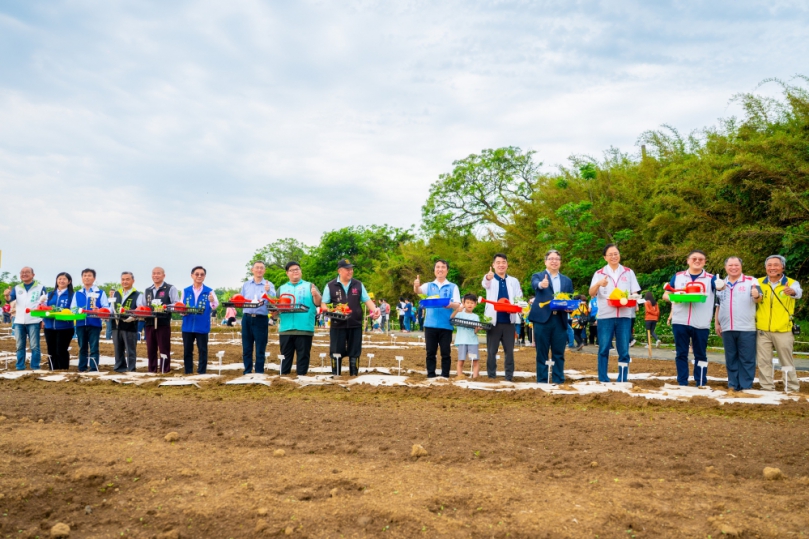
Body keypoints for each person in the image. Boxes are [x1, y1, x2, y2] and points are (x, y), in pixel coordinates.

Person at [662, 250, 725, 387]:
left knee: (700, 354)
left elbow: (721, 288)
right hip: (680, 320)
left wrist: (721, 285)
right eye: (694, 258)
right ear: (688, 261)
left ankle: (701, 381)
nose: (697, 261)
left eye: (701, 259)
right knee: (681, 353)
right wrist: (674, 297)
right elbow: (666, 295)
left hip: (701, 322)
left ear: (705, 262)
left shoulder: (711, 278)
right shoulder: (678, 276)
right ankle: (682, 381)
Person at [589, 244, 641, 383]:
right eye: (610, 254)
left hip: (624, 315)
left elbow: (635, 291)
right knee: (604, 347)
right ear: (605, 257)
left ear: (619, 255)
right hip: (606, 316)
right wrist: (598, 284)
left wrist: (634, 298)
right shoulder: (599, 273)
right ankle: (603, 377)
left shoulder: (628, 272)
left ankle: (622, 377)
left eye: (616, 253)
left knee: (624, 349)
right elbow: (591, 293)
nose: (614, 256)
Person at [322, 259, 380, 376]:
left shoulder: (358, 284)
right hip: (338, 324)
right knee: (336, 350)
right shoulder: (330, 285)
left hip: (355, 323)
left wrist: (375, 309)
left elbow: (366, 300)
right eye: (347, 269)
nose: (350, 271)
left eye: (351, 269)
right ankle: (336, 374)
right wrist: (326, 310)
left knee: (355, 350)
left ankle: (354, 375)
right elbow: (324, 302)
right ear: (339, 271)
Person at [755, 255, 803, 392]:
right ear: (765, 267)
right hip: (763, 330)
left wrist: (792, 291)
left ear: (782, 267)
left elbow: (798, 293)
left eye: (776, 265)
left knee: (786, 361)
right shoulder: (758, 282)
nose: (772, 268)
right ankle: (766, 387)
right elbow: (754, 299)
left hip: (784, 330)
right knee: (764, 361)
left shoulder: (791, 282)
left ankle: (792, 387)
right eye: (769, 265)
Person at [527, 250, 574, 384]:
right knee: (541, 352)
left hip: (560, 319)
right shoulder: (538, 276)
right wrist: (542, 284)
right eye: (551, 259)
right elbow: (535, 284)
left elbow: (569, 298)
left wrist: (569, 307)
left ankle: (558, 379)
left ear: (560, 262)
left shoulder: (566, 280)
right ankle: (542, 380)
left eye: (557, 259)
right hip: (542, 320)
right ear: (545, 261)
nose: (554, 261)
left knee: (559, 352)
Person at [714, 257, 761, 391]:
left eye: (736, 265)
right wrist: (716, 323)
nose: (733, 267)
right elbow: (718, 305)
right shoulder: (720, 283)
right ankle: (733, 384)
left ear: (741, 266)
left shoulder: (752, 281)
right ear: (725, 267)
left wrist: (757, 295)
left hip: (746, 327)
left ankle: (746, 386)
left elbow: (758, 299)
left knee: (747, 358)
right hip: (727, 327)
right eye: (730, 265)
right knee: (731, 358)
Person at [413, 260, 462, 378]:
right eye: (438, 267)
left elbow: (458, 304)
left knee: (446, 352)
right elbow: (418, 292)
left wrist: (450, 305)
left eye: (443, 267)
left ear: (447, 270)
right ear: (434, 270)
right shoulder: (429, 285)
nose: (440, 269)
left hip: (446, 325)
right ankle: (431, 375)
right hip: (430, 325)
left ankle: (445, 376)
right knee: (430, 352)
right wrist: (416, 285)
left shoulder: (453, 287)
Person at [482, 253, 523, 380]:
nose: (501, 265)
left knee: (509, 352)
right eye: (498, 262)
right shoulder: (490, 278)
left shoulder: (513, 281)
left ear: (507, 264)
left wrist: (517, 306)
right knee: (491, 351)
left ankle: (509, 377)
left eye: (503, 262)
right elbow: (485, 283)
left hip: (509, 321)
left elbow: (518, 297)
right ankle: (491, 376)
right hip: (493, 321)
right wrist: (488, 278)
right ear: (493, 265)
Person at [277, 261, 321, 375]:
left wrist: (315, 294)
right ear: (287, 273)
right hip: (286, 329)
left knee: (303, 357)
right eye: (292, 270)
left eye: (297, 269)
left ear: (300, 271)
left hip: (304, 328)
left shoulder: (310, 286)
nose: (295, 271)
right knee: (285, 357)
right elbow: (276, 308)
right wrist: (273, 313)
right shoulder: (281, 288)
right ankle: (283, 380)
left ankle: (302, 378)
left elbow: (319, 303)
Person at [180, 266, 218, 375]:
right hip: (188, 325)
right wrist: (183, 312)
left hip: (202, 325)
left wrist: (212, 301)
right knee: (187, 350)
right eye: (197, 274)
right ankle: (188, 371)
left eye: (202, 274)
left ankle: (201, 371)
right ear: (192, 275)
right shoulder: (185, 290)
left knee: (202, 350)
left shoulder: (209, 291)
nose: (199, 276)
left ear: (204, 276)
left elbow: (215, 306)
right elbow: (180, 306)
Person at [239, 261, 276, 374]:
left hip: (261, 318)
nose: (259, 270)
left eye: (262, 268)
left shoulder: (269, 285)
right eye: (257, 268)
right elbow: (241, 300)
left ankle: (259, 372)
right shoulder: (246, 285)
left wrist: (268, 291)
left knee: (260, 347)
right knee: (247, 347)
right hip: (247, 318)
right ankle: (247, 370)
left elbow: (273, 300)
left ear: (264, 271)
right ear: (252, 270)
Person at [70, 268, 110, 372]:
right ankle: (82, 367)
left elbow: (107, 307)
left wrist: (99, 310)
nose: (87, 277)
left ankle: (94, 368)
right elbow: (72, 308)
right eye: (85, 275)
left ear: (94, 278)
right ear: (82, 278)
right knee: (82, 347)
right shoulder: (77, 293)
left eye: (89, 275)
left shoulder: (100, 292)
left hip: (94, 323)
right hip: (80, 324)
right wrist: (77, 311)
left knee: (94, 347)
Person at [144, 267, 180, 373]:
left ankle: (165, 370)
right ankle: (152, 370)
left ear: (164, 275)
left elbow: (176, 304)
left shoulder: (170, 288)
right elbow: (143, 305)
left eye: (158, 273)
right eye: (154, 273)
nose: (156, 275)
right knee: (150, 348)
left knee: (164, 348)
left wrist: (166, 307)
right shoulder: (148, 290)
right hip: (149, 322)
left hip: (163, 322)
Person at [9, 267, 46, 371]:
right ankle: (20, 366)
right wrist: (7, 295)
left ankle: (35, 366)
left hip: (34, 321)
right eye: (22, 272)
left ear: (33, 275)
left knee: (34, 346)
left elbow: (44, 304)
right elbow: (10, 299)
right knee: (19, 346)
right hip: (19, 321)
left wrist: (43, 319)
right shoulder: (17, 288)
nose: (24, 274)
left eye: (27, 272)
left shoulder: (40, 287)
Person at [111, 271, 145, 373]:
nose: (125, 281)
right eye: (123, 279)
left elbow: (140, 308)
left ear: (133, 281)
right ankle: (119, 367)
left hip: (130, 325)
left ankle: (131, 368)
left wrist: (134, 316)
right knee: (118, 348)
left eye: (127, 279)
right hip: (116, 325)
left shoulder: (137, 294)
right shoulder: (116, 293)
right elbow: (111, 308)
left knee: (130, 349)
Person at [43, 272, 74, 370]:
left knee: (61, 350)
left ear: (69, 282)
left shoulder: (72, 295)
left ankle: (63, 369)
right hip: (49, 326)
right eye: (59, 279)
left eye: (64, 279)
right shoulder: (50, 294)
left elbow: (74, 310)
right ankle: (52, 369)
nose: (61, 281)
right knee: (51, 350)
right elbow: (43, 308)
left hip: (65, 327)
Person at [451, 293, 482, 378]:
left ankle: (475, 377)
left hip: (473, 341)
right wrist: (457, 310)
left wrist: (477, 329)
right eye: (467, 302)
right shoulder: (460, 314)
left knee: (475, 361)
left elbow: (475, 332)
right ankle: (460, 376)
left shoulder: (476, 317)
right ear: (463, 303)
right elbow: (451, 318)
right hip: (462, 341)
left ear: (475, 304)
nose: (470, 305)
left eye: (472, 303)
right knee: (461, 361)